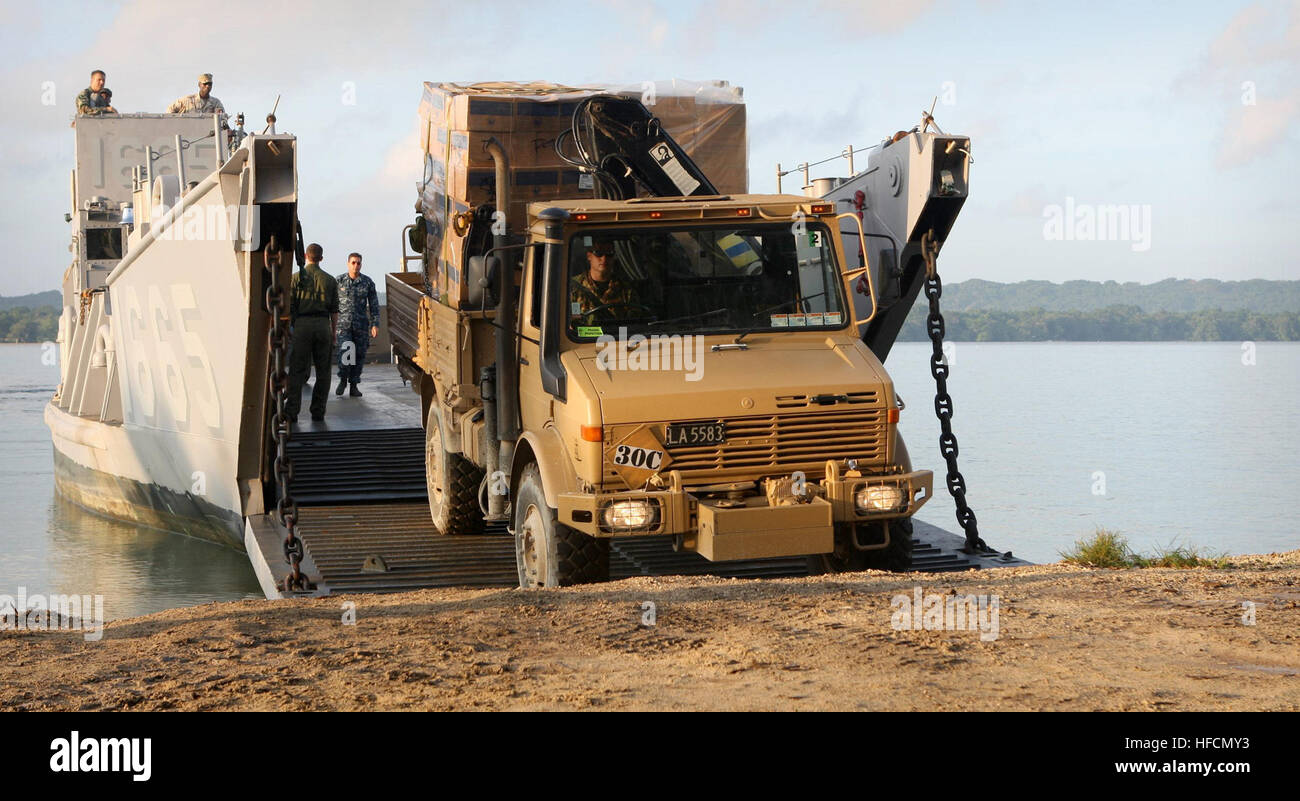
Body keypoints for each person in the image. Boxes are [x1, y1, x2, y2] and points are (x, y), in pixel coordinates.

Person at [286, 243, 338, 423]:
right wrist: (333, 333)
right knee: (323, 371)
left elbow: (289, 308)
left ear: (306, 256)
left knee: (297, 370)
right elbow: (334, 311)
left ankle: (292, 411)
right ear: (321, 258)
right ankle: (318, 411)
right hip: (323, 325)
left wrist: (289, 329)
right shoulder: (330, 280)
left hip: (302, 325)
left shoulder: (294, 279)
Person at [334, 252, 381, 397]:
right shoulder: (339, 281)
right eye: (353, 262)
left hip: (360, 325)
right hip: (343, 326)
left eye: (358, 263)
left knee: (359, 355)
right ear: (348, 264)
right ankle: (343, 379)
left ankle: (353, 385)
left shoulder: (367, 282)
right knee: (346, 353)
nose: (356, 265)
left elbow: (374, 305)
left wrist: (375, 324)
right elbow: (331, 303)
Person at [568, 239, 641, 324]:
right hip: (582, 337)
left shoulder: (627, 290)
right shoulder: (573, 287)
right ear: (589, 256)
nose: (604, 258)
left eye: (609, 253)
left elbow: (634, 324)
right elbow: (567, 323)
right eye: (598, 253)